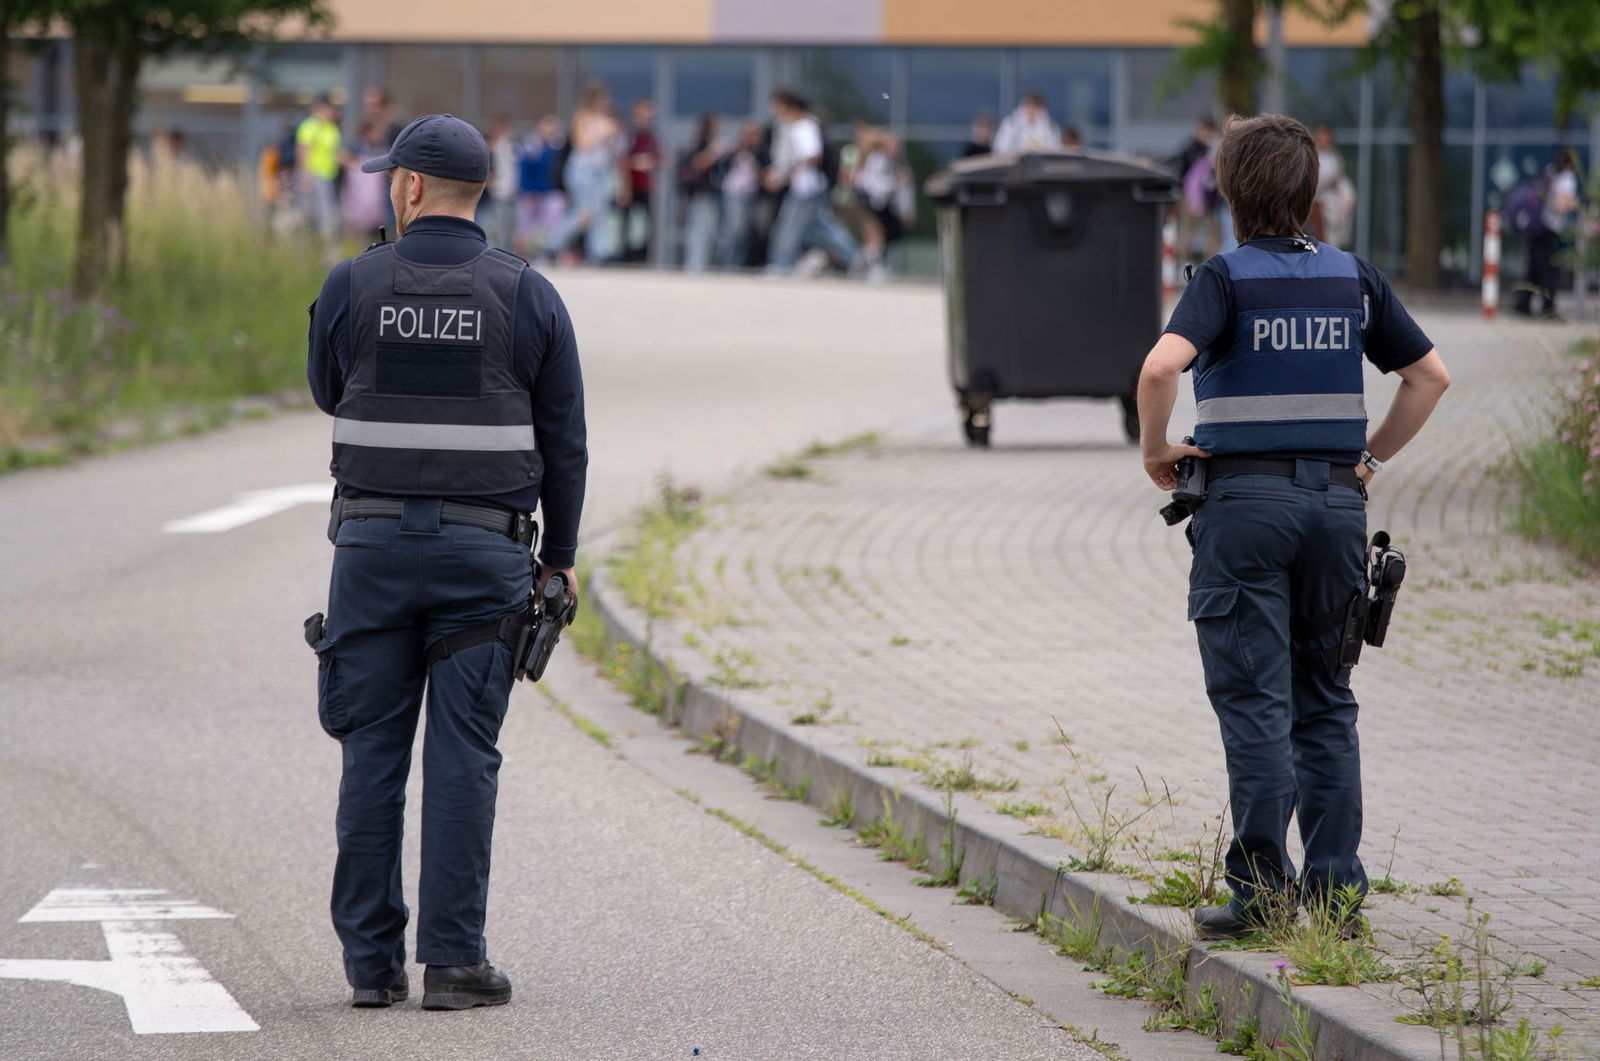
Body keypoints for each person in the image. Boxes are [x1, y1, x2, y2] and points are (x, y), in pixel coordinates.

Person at [1135, 113, 1450, 942]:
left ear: (1231, 191)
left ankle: (1263, 894)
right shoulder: (1353, 278)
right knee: (1325, 699)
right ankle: (1337, 896)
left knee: (1255, 702)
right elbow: (1430, 376)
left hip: (1245, 512)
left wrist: (1155, 449)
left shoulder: (1223, 278)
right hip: (1337, 513)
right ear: (1311, 193)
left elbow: (1161, 366)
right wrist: (1368, 460)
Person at [305, 114, 588, 1010]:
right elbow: (566, 445)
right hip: (484, 559)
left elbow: (326, 389)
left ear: (411, 188)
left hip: (373, 553)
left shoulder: (353, 283)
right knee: (465, 756)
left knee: (372, 754)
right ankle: (455, 964)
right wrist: (563, 558)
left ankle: (370, 967)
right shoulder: (530, 294)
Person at [764, 89, 858, 275]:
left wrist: (788, 173)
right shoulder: (799, 125)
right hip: (808, 187)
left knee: (789, 227)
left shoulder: (802, 126)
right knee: (823, 228)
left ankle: (781, 265)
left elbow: (813, 155)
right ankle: (858, 260)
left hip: (805, 188)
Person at [551, 82, 622, 264]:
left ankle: (598, 254)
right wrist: (603, 134)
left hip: (600, 172)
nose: (606, 101)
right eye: (602, 97)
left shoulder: (606, 119)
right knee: (583, 212)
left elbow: (615, 150)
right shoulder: (582, 117)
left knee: (600, 214)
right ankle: (552, 245)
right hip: (582, 171)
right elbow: (582, 143)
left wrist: (613, 136)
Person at [1513, 148, 1581, 320]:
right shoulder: (1567, 178)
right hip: (1549, 229)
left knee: (1533, 270)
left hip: (1536, 228)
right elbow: (1560, 204)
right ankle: (1548, 309)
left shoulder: (1551, 171)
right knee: (1551, 271)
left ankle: (1522, 304)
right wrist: (1575, 203)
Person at [296, 94, 344, 259]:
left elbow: (335, 152)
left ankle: (323, 253)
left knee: (326, 215)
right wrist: (304, 176)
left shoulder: (331, 128)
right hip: (314, 176)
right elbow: (303, 151)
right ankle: (312, 252)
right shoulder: (310, 126)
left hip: (328, 176)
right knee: (317, 215)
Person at [716, 119, 765, 268]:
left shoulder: (761, 152)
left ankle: (737, 264)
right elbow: (722, 168)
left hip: (752, 195)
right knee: (733, 229)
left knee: (745, 233)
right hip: (734, 194)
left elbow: (763, 173)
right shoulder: (734, 150)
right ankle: (725, 263)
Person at [1169, 116, 1219, 263]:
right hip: (1189, 196)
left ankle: (1210, 262)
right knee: (1188, 230)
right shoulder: (1191, 149)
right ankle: (1182, 263)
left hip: (1208, 196)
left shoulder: (1211, 149)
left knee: (1212, 232)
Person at [679, 113, 724, 272]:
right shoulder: (699, 144)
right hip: (699, 194)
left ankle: (705, 264)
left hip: (712, 194)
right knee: (697, 231)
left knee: (711, 232)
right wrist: (712, 153)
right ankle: (694, 265)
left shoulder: (711, 143)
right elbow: (696, 164)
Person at [516, 115, 565, 257]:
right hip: (531, 192)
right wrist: (528, 190)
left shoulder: (556, 145)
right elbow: (524, 170)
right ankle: (522, 253)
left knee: (551, 223)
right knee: (525, 226)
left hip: (548, 190)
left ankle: (548, 251)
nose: (550, 130)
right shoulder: (530, 145)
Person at [619, 98, 660, 263]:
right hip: (630, 186)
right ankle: (625, 257)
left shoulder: (652, 137)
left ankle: (643, 257)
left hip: (647, 187)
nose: (647, 119)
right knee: (626, 224)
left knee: (648, 225)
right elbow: (621, 161)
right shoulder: (628, 136)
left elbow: (660, 158)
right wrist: (636, 163)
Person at [1309, 124, 1355, 248]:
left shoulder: (1334, 157)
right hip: (1316, 204)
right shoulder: (1312, 156)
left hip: (1333, 204)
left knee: (1333, 240)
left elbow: (1338, 177)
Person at [481, 115, 519, 251]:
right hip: (495, 194)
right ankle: (502, 251)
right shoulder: (492, 147)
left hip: (509, 191)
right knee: (497, 226)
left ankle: (507, 251)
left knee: (509, 226)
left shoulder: (510, 146)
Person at [993, 92, 1059, 154]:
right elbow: (1002, 148)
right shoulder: (1010, 123)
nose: (1032, 110)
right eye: (1029, 106)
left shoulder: (1050, 126)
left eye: (1035, 107)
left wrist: (1044, 124)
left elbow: (1054, 149)